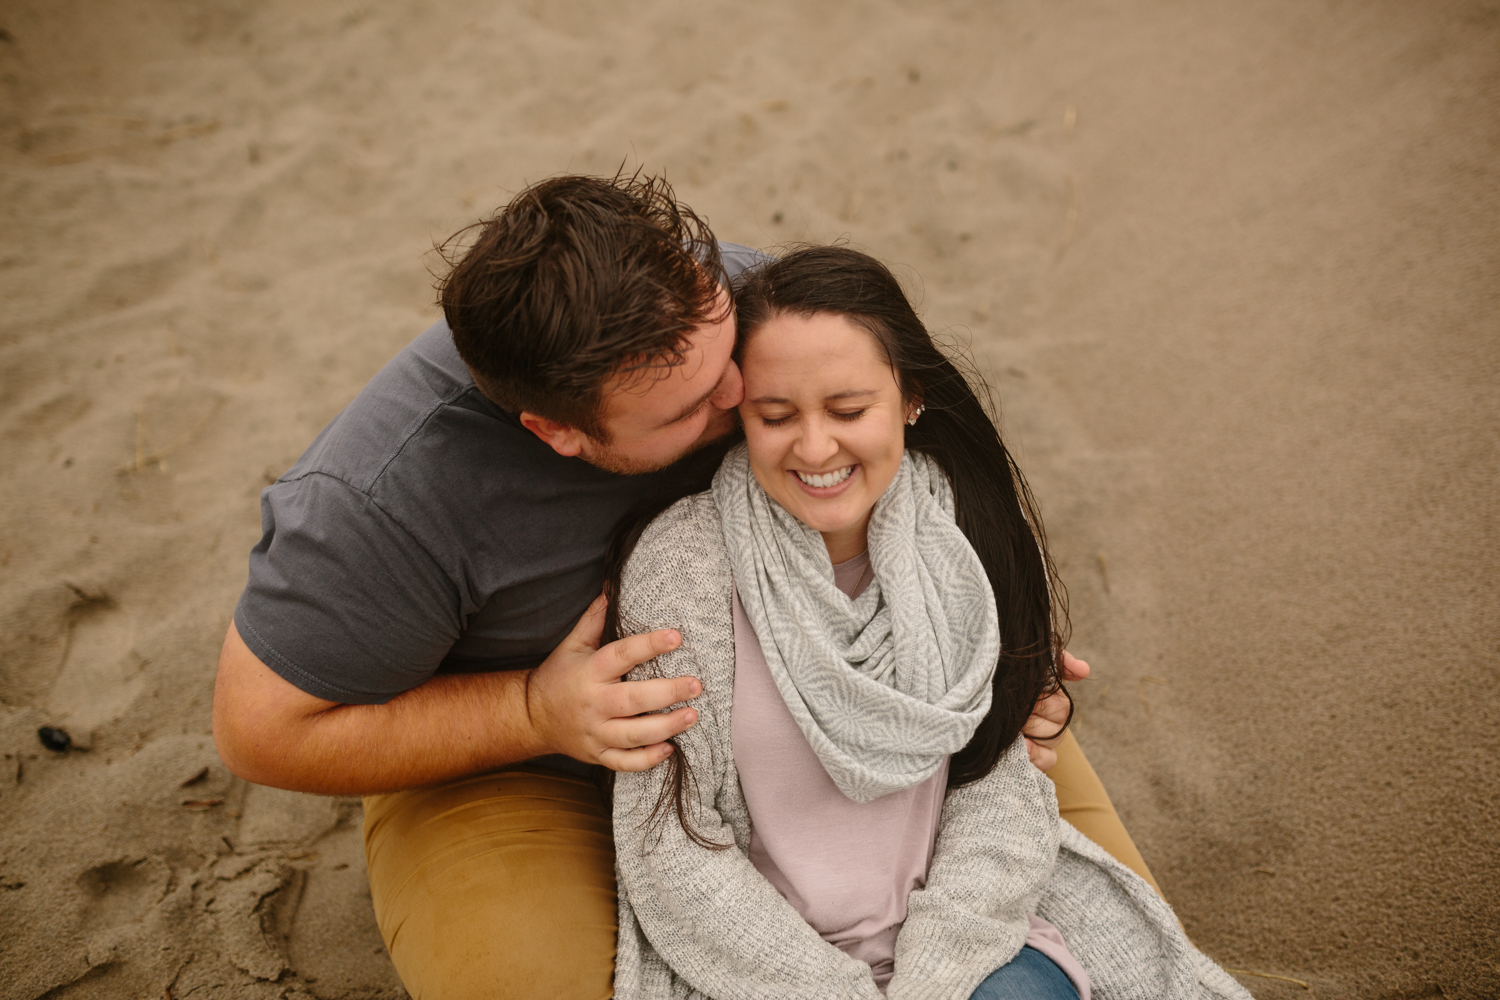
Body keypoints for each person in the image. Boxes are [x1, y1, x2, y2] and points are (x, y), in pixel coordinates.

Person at [211, 172, 1159, 1000]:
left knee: (1114, 926)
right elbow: (259, 730)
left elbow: (920, 452)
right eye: (692, 408)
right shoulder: (383, 499)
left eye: (726, 361)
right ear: (561, 434)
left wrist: (1010, 649)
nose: (740, 401)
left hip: (840, 679)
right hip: (515, 760)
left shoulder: (745, 300)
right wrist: (533, 713)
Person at [608, 247, 1250, 1000]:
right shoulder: (681, 569)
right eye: (775, 416)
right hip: (763, 976)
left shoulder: (969, 534)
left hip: (973, 949)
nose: (816, 448)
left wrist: (933, 981)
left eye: (849, 411)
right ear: (737, 413)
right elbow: (671, 847)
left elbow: (1000, 789)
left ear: (910, 396)